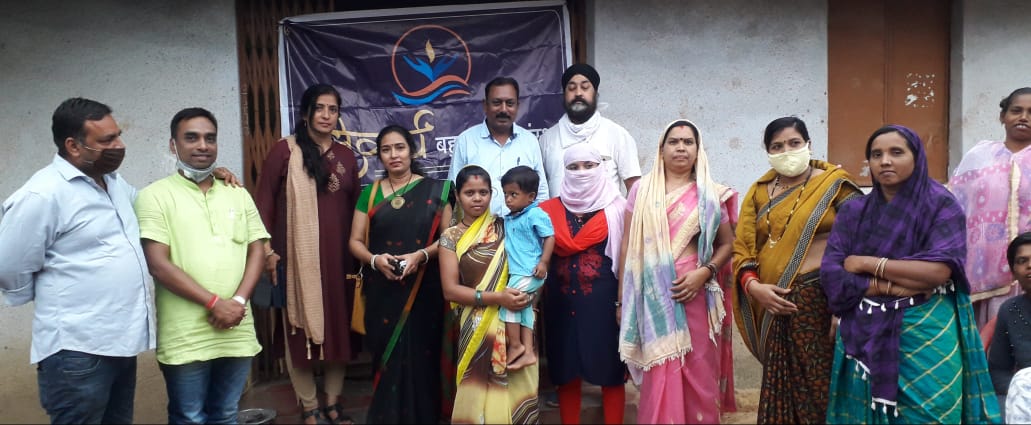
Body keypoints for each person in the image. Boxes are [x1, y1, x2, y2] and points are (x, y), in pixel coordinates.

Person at [821, 124, 1000, 423]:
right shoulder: (854, 212)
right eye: (876, 155)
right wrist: (891, 287)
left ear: (916, 157)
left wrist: (866, 263)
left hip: (928, 326)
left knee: (932, 411)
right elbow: (833, 274)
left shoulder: (941, 205)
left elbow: (938, 271)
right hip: (864, 326)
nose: (885, 161)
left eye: (896, 152)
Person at [0, 98, 154, 424]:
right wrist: (51, 297)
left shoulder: (113, 182)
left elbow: (151, 206)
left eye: (118, 135)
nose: (119, 145)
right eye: (107, 140)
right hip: (77, 351)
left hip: (120, 344)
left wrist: (204, 177)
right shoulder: (43, 194)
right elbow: (8, 265)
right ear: (73, 146)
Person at [135, 107, 267, 424]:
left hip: (237, 328)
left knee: (226, 414)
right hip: (185, 336)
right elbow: (158, 265)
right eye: (191, 138)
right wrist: (214, 303)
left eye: (210, 138)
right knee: (189, 417)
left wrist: (237, 302)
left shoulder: (237, 193)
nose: (202, 145)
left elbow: (258, 250)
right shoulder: (153, 196)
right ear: (173, 145)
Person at [731, 116, 862, 424]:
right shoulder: (759, 192)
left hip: (824, 304)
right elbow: (743, 248)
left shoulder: (835, 185)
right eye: (777, 146)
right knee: (782, 392)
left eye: (794, 143)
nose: (786, 151)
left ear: (808, 144)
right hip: (773, 306)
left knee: (821, 390)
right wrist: (754, 288)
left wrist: (844, 306)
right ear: (767, 151)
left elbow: (862, 243)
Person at [618, 119, 738, 424]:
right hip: (653, 297)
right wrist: (621, 301)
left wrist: (705, 273)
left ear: (698, 150)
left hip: (694, 295)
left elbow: (728, 244)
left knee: (699, 370)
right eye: (673, 141)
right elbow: (628, 247)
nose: (681, 148)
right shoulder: (641, 191)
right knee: (661, 371)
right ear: (661, 149)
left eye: (688, 142)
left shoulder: (710, 195)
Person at [255, 83, 360, 425]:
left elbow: (357, 209)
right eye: (320, 108)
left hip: (340, 260)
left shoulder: (346, 156)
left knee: (339, 329)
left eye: (333, 109)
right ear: (305, 113)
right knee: (297, 332)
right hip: (296, 261)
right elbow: (264, 204)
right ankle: (309, 405)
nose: (326, 115)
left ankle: (333, 401)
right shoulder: (284, 151)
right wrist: (268, 250)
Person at [348, 124, 454, 424]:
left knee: (423, 357)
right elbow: (354, 242)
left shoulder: (437, 191)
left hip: (424, 290)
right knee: (387, 359)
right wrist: (375, 260)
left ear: (411, 151)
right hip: (382, 292)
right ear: (379, 156)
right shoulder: (369, 194)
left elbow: (449, 239)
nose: (393, 155)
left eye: (399, 147)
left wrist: (420, 256)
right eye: (386, 150)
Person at [438, 165, 540, 424]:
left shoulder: (509, 227)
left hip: (516, 321)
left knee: (517, 394)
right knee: (477, 390)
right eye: (469, 193)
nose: (477, 198)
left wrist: (530, 302)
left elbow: (531, 267)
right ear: (458, 196)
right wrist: (498, 298)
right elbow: (450, 290)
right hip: (475, 325)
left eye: (483, 192)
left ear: (492, 194)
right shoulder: (450, 237)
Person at [538, 143, 628, 424]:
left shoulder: (619, 209)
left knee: (611, 371)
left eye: (589, 165)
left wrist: (622, 303)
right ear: (564, 171)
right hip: (560, 305)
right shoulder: (547, 211)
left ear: (601, 168)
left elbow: (628, 260)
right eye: (573, 167)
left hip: (605, 305)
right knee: (565, 371)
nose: (582, 172)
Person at [949, 87, 1031, 329]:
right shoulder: (979, 156)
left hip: (1027, 268)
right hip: (982, 268)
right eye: (1016, 110)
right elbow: (955, 204)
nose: (1024, 117)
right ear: (1003, 116)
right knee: (987, 338)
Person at [447, 76, 549, 215]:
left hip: (522, 227)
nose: (503, 109)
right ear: (485, 105)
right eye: (497, 103)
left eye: (510, 103)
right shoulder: (466, 141)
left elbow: (541, 193)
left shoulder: (529, 141)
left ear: (517, 106)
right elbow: (453, 191)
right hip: (478, 227)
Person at [538, 63, 641, 195]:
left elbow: (635, 188)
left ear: (596, 94)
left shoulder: (617, 134)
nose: (578, 93)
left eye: (585, 87)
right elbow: (539, 192)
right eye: (571, 88)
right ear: (564, 95)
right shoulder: (547, 140)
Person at [499, 165, 555, 370]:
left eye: (513, 194)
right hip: (520, 272)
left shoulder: (535, 214)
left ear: (531, 197)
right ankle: (529, 352)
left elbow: (549, 236)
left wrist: (543, 262)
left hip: (530, 271)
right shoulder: (511, 217)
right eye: (505, 194)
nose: (508, 199)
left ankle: (515, 345)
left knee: (509, 302)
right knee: (524, 308)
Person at [988, 232, 1031, 418]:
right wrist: (1021, 390)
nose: (1030, 265)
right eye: (1022, 261)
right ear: (1013, 272)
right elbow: (998, 370)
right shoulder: (1009, 310)